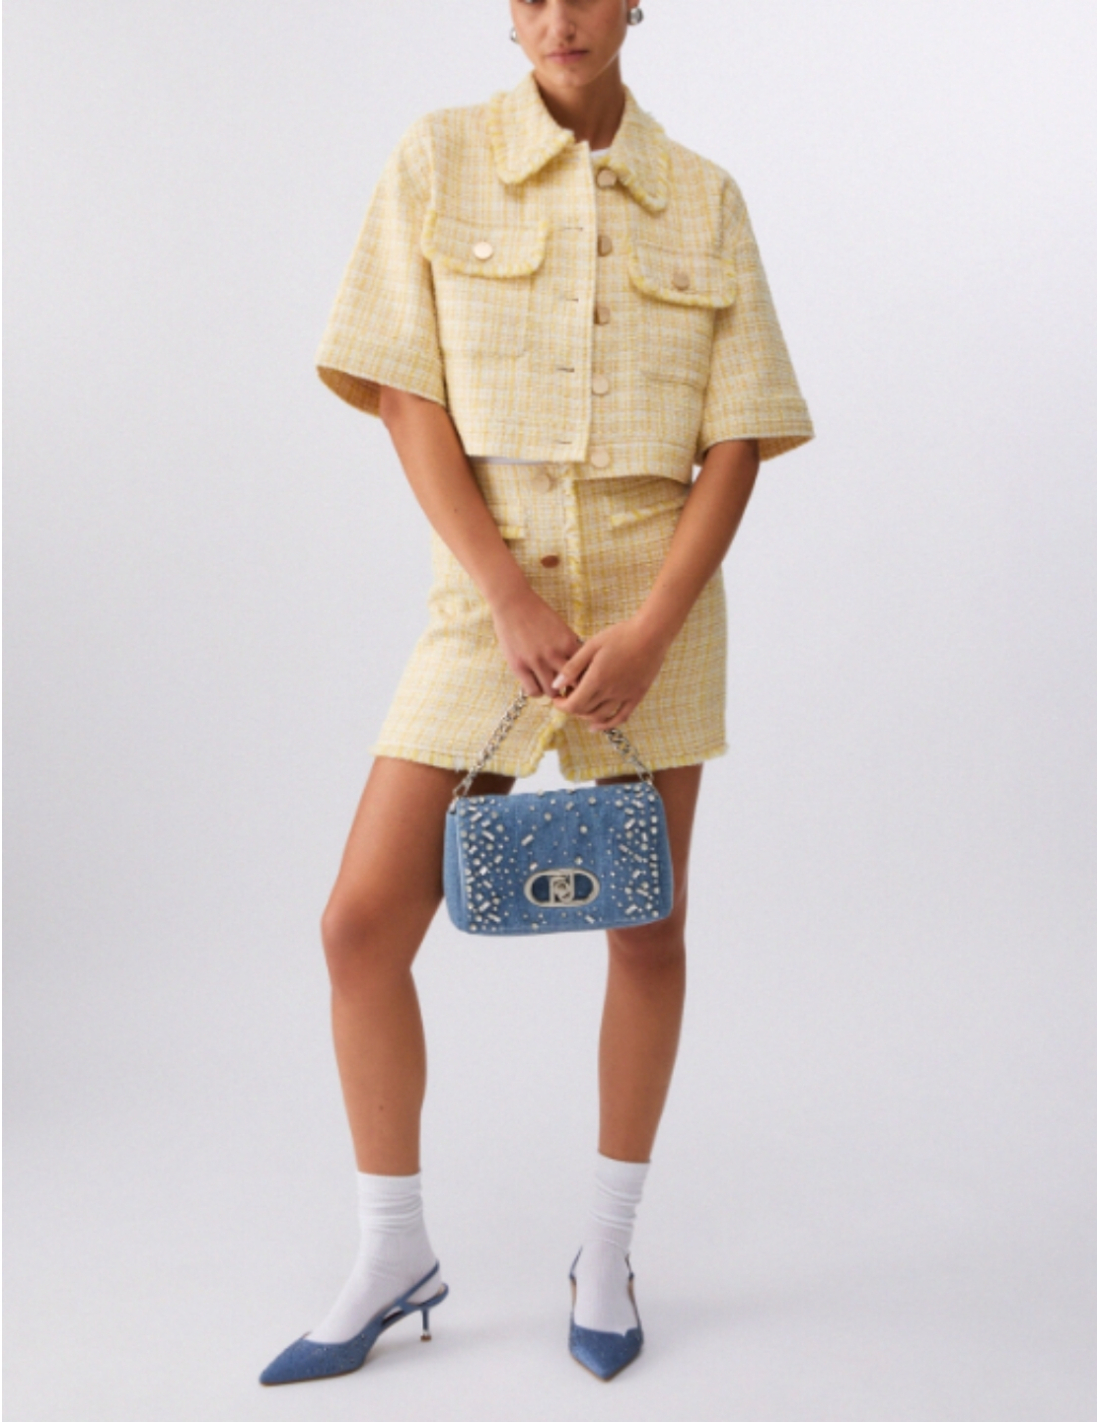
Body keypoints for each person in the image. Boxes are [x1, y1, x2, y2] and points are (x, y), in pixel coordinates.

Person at [260, 0, 812, 1387]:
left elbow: (741, 436)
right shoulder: (437, 158)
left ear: (637, 5)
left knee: (648, 931)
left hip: (654, 605)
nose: (561, 16)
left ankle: (608, 1250)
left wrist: (655, 626)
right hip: (486, 601)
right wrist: (507, 594)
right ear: (507, 15)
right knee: (360, 925)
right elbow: (405, 395)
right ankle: (393, 1248)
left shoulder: (706, 196)